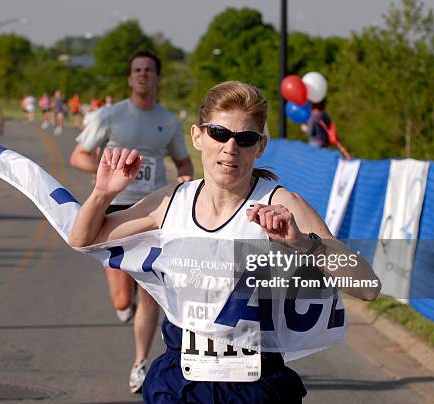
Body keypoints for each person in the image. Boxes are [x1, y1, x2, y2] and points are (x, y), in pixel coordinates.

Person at [68, 81, 380, 402]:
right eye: (219, 133)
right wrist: (103, 193)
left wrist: (303, 244)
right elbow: (83, 239)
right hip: (180, 381)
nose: (231, 148)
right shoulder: (170, 202)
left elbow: (368, 286)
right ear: (197, 136)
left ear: (260, 147)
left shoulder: (281, 204)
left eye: (245, 139)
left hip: (253, 384)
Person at [69, 50, 194, 393]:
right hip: (116, 207)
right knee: (123, 300)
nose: (142, 75)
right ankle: (127, 305)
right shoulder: (110, 116)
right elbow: (77, 155)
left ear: (157, 78)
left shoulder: (168, 121)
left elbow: (184, 164)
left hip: (153, 210)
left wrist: (184, 182)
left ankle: (140, 362)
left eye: (149, 70)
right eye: (136, 69)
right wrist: (109, 177)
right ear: (130, 78)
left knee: (150, 291)